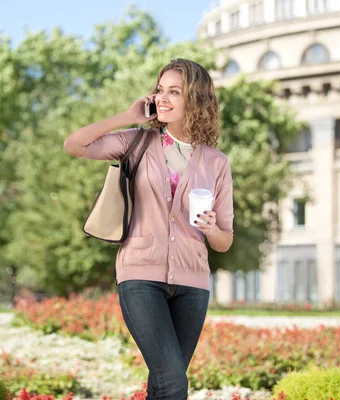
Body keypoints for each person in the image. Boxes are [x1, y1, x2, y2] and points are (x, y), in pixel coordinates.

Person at [63, 58, 234, 400]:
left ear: (196, 100)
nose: (163, 98)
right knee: (173, 382)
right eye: (160, 90)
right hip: (140, 277)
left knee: (163, 384)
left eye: (175, 91)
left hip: (193, 283)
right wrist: (128, 117)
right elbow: (75, 145)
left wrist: (212, 228)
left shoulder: (216, 162)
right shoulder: (137, 142)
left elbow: (224, 241)